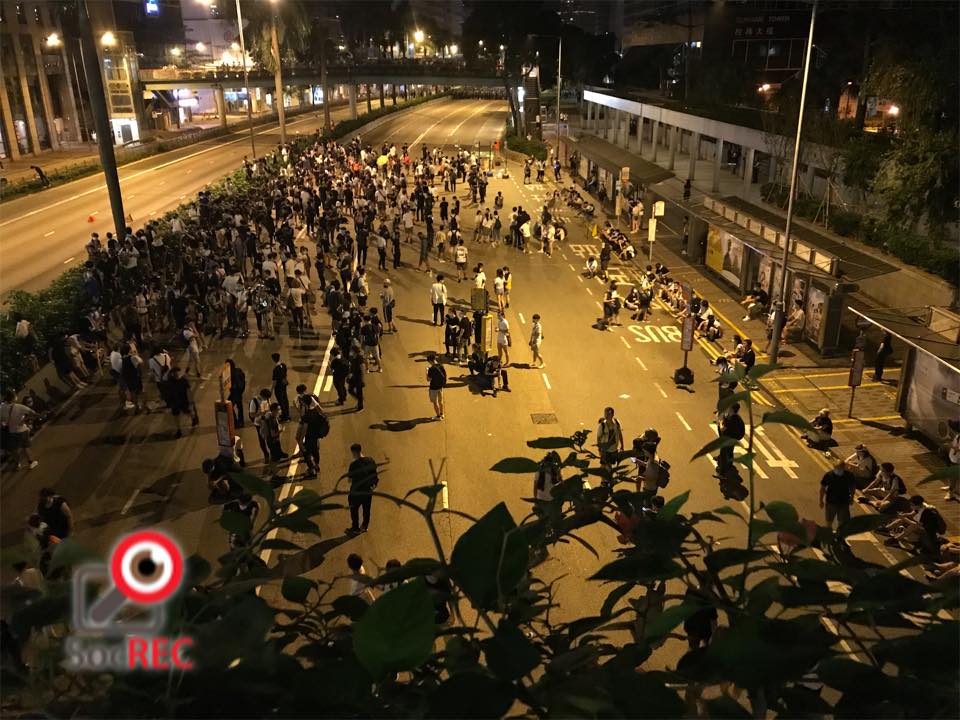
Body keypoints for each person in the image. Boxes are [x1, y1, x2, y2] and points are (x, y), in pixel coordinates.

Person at [1, 390, 40, 469]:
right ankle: (31, 462)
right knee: (25, 447)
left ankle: (18, 464)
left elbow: (2, 421)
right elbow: (33, 413)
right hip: (21, 430)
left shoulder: (2, 408)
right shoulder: (19, 406)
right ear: (13, 397)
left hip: (11, 431)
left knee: (14, 449)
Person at [345, 443, 378, 535]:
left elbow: (349, 480)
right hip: (367, 491)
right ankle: (364, 526)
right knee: (366, 509)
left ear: (354, 452)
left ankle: (355, 528)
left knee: (354, 509)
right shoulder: (370, 460)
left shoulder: (353, 464)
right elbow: (374, 475)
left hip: (356, 492)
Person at [820, 462, 856, 530]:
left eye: (840, 468)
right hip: (831, 502)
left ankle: (840, 538)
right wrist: (821, 500)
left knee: (842, 523)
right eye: (836, 468)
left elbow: (852, 488)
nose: (838, 470)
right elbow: (822, 488)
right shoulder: (829, 475)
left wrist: (852, 498)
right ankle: (829, 537)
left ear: (844, 468)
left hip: (843, 503)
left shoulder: (849, 476)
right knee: (829, 522)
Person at [165, 367, 197, 439]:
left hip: (183, 400)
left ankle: (193, 418)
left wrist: (191, 402)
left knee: (187, 412)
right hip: (175, 402)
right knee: (176, 416)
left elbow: (189, 392)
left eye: (177, 372)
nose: (176, 374)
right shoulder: (170, 381)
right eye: (175, 373)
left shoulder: (183, 380)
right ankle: (178, 430)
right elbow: (168, 393)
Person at [717, 403, 746, 476]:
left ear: (732, 409)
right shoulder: (736, 417)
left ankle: (722, 473)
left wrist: (720, 422)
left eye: (729, 408)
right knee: (730, 452)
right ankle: (729, 465)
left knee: (723, 454)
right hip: (733, 439)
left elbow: (722, 429)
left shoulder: (733, 419)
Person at [426, 353, 447, 420]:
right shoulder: (441, 366)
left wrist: (426, 371)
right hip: (440, 386)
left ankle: (438, 416)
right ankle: (442, 414)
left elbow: (428, 379)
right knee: (440, 401)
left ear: (430, 361)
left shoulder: (431, 369)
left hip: (433, 388)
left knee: (435, 402)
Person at [271, 353, 290, 422]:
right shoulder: (283, 365)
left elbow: (274, 381)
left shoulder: (275, 369)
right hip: (283, 385)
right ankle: (287, 414)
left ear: (273, 359)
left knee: (281, 401)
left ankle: (285, 416)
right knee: (285, 399)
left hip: (278, 387)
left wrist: (271, 390)